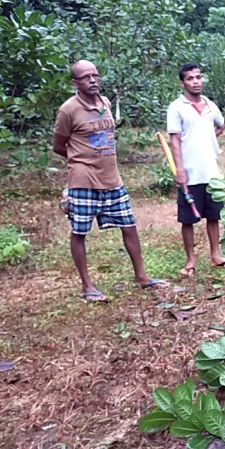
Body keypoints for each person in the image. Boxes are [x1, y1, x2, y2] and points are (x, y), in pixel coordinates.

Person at [53, 60, 166, 301]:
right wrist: (81, 159)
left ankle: (142, 276)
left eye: (95, 75)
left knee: (129, 225)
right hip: (83, 180)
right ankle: (87, 286)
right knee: (80, 230)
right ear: (75, 83)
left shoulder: (105, 102)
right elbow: (58, 146)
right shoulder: (68, 110)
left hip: (112, 179)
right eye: (85, 77)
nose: (92, 80)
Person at [167, 63, 225, 278]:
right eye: (190, 78)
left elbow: (221, 125)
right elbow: (174, 140)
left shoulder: (210, 105)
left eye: (198, 77)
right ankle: (190, 260)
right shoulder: (177, 107)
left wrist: (209, 140)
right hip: (189, 172)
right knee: (188, 219)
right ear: (182, 83)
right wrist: (180, 169)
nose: (196, 81)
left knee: (214, 215)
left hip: (211, 171)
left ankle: (216, 255)